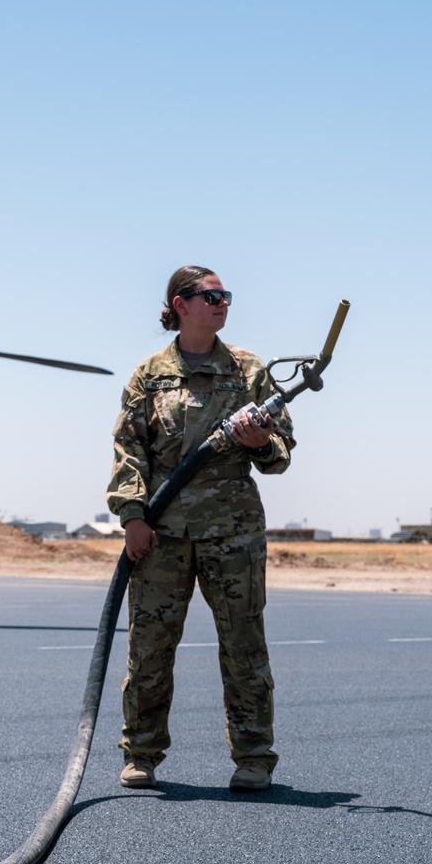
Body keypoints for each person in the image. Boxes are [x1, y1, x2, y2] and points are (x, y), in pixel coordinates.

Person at [107, 265, 295, 792]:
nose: (222, 303)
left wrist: (259, 441)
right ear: (180, 303)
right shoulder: (149, 375)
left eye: (226, 295)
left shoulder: (249, 370)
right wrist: (133, 518)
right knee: (149, 647)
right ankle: (141, 752)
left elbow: (281, 456)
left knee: (244, 644)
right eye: (210, 295)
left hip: (232, 534)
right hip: (162, 535)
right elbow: (129, 452)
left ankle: (254, 756)